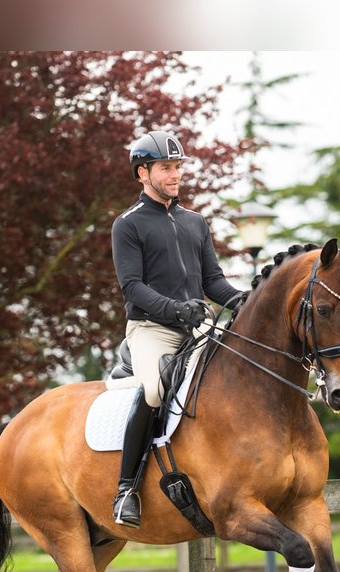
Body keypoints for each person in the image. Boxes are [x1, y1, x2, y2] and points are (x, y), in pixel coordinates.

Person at [109, 129, 245, 527]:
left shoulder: (195, 222)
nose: (175, 175)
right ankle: (126, 490)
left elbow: (213, 282)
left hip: (197, 326)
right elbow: (132, 286)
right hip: (152, 329)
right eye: (166, 168)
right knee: (154, 389)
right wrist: (174, 310)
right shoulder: (127, 225)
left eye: (178, 167)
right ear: (143, 173)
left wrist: (244, 300)